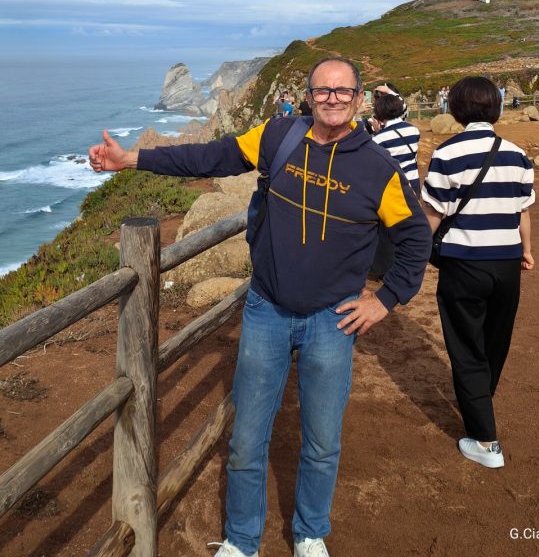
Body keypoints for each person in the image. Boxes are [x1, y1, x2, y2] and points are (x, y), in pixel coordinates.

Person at [89, 57, 431, 557]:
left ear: (359, 99)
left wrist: (385, 300)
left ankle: (310, 533)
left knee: (322, 441)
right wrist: (132, 159)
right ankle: (242, 539)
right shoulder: (278, 136)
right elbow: (210, 157)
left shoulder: (378, 169)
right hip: (267, 309)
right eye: (323, 90)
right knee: (247, 439)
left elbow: (417, 238)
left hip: (332, 320)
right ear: (309, 96)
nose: (332, 99)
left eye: (343, 91)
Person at [421, 76, 535, 469]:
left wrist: (415, 254)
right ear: (496, 107)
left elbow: (433, 214)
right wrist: (527, 251)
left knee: (466, 345)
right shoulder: (517, 154)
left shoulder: (447, 153)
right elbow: (522, 212)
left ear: (455, 109)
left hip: (464, 264)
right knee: (495, 340)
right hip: (507, 263)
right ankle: (481, 399)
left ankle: (486, 442)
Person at [370, 87, 420, 277]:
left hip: (393, 188)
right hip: (413, 184)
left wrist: (376, 132)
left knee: (387, 231)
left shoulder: (379, 139)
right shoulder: (413, 131)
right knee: (408, 227)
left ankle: (384, 269)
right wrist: (392, 92)